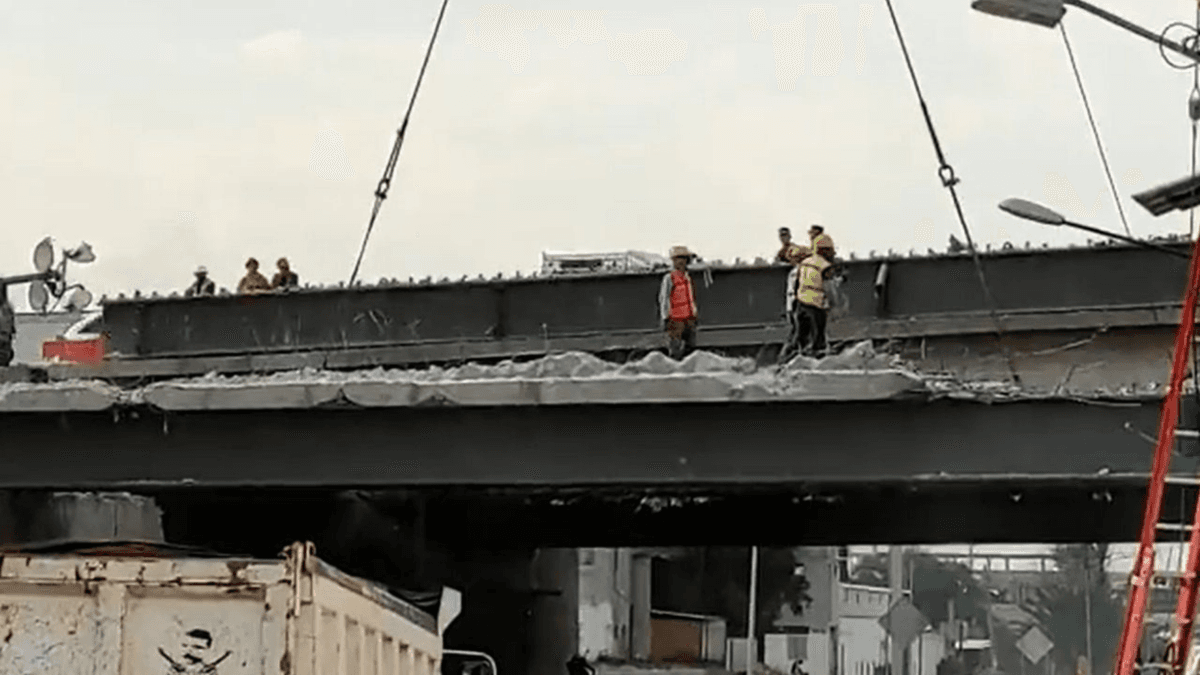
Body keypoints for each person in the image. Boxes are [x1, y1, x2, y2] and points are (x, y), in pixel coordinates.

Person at [796, 234, 837, 357]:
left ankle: (796, 360)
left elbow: (797, 283)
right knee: (817, 340)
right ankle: (816, 363)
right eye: (830, 250)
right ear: (824, 250)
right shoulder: (825, 266)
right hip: (816, 305)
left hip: (800, 304)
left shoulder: (804, 263)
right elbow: (829, 289)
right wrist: (833, 305)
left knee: (801, 337)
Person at [659, 246, 699, 360]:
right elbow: (664, 298)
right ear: (674, 260)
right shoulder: (669, 278)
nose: (682, 261)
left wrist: (694, 311)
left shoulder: (687, 277)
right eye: (679, 258)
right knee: (675, 348)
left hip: (688, 317)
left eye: (684, 258)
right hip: (675, 318)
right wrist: (665, 317)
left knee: (690, 347)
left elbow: (690, 296)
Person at [778, 244, 810, 364]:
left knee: (798, 334)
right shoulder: (800, 272)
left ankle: (786, 359)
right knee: (800, 335)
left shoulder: (794, 272)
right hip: (800, 307)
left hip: (795, 307)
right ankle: (786, 359)